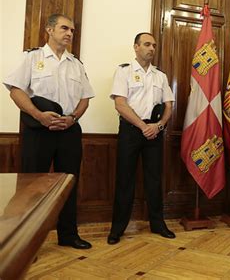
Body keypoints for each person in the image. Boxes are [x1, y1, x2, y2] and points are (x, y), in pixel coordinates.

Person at [3, 13, 95, 249]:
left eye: (72, 30)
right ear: (49, 30)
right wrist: (38, 115)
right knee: (31, 188)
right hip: (38, 131)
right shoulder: (32, 58)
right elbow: (16, 90)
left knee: (68, 185)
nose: (69, 33)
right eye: (65, 28)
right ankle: (25, 243)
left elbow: (85, 98)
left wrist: (73, 118)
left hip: (69, 131)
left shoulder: (76, 64)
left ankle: (68, 235)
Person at [107, 32, 175, 245]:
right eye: (147, 44)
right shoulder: (124, 71)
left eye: (154, 45)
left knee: (154, 180)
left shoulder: (160, 76)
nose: (151, 48)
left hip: (154, 131)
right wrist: (142, 126)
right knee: (125, 180)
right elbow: (120, 103)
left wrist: (159, 125)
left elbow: (169, 105)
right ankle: (117, 228)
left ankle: (158, 224)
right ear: (136, 47)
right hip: (131, 131)